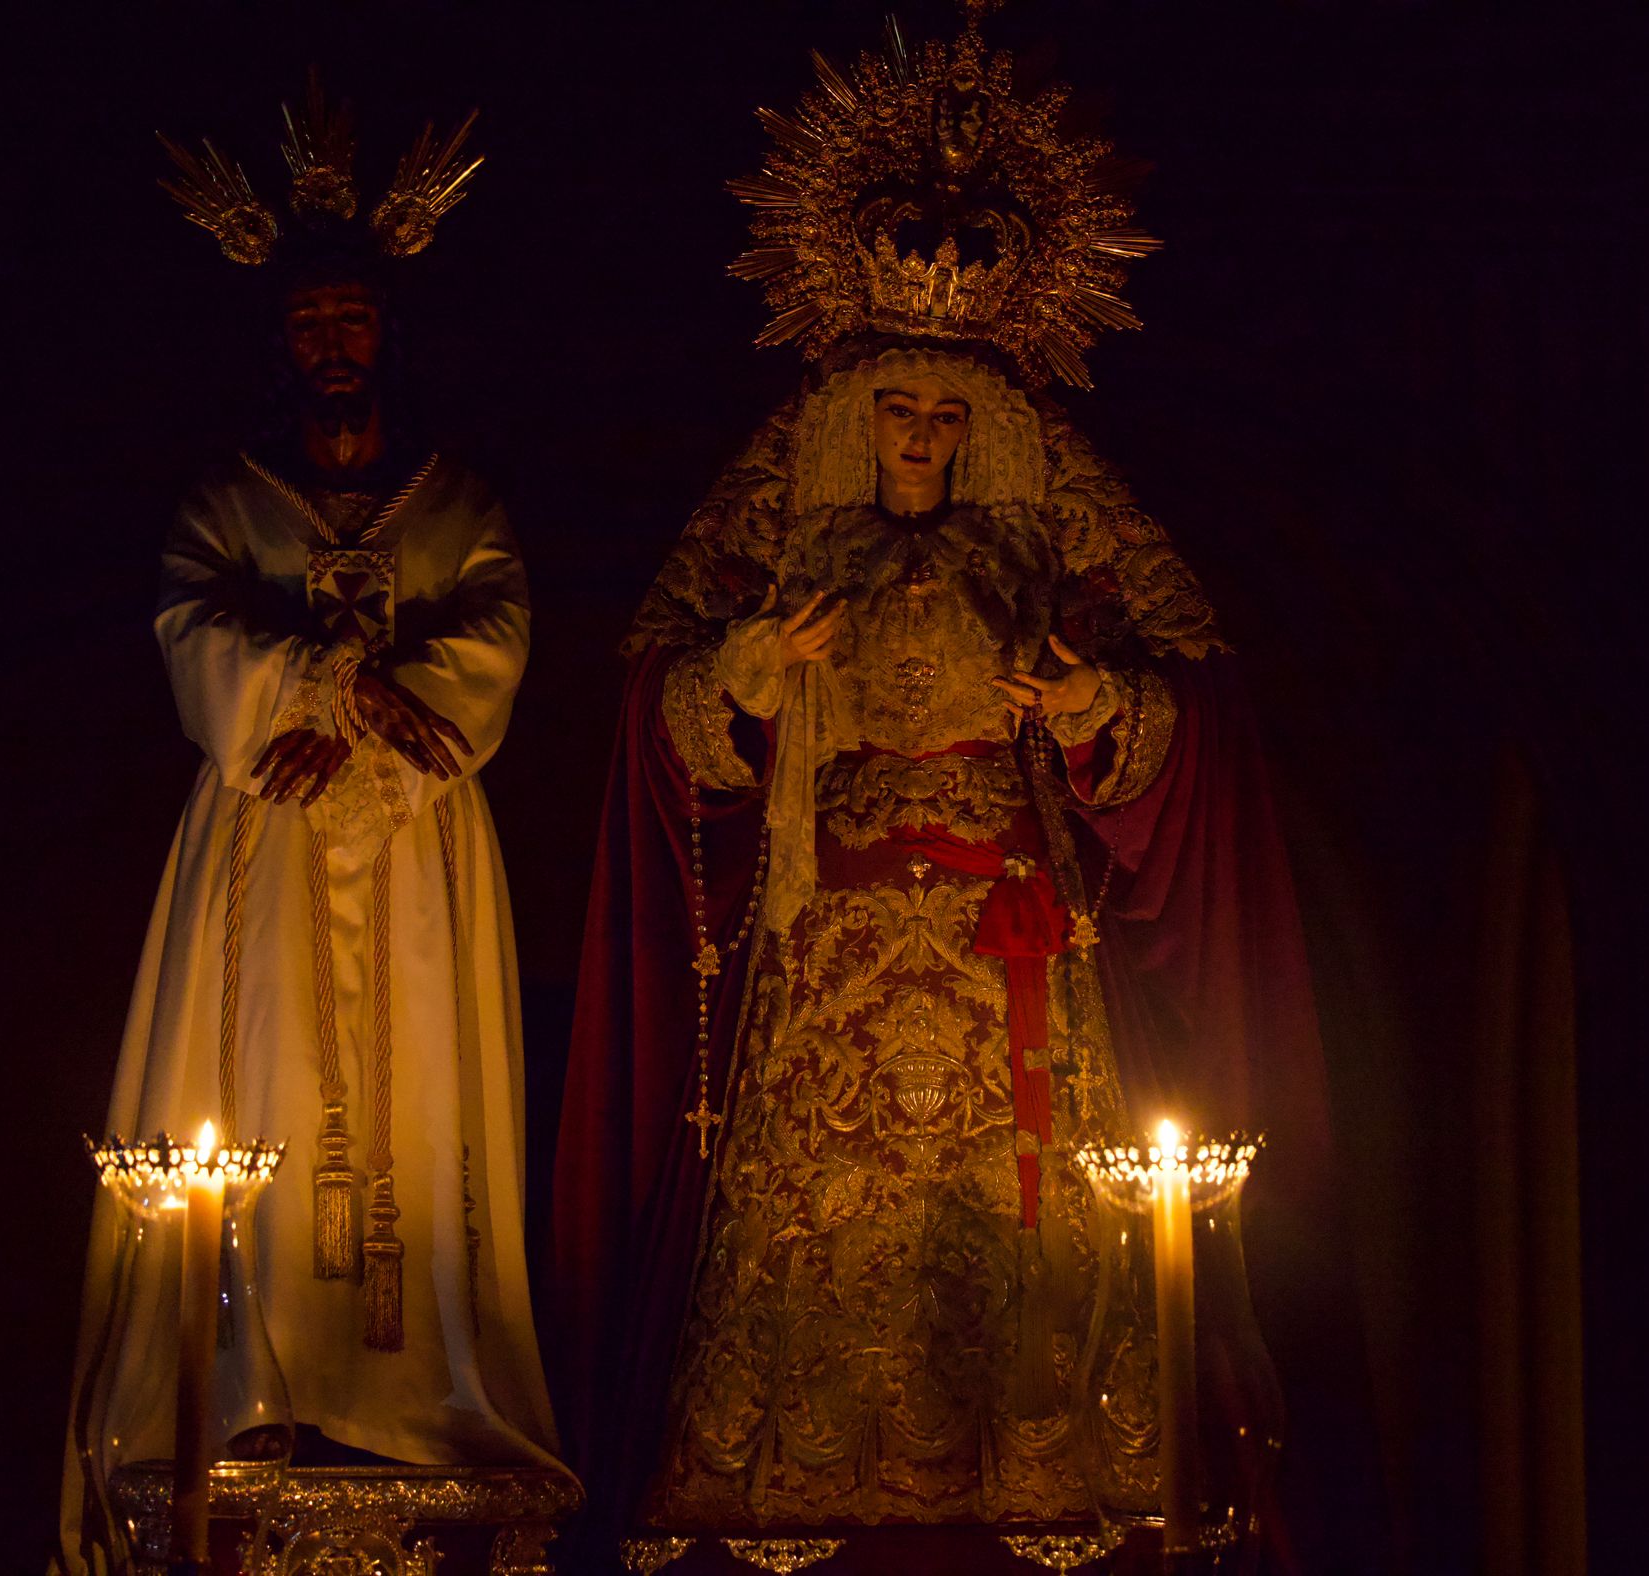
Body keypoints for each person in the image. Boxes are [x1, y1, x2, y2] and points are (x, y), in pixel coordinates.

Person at [550, 11, 1334, 1571]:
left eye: (946, 418)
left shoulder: (1056, 517)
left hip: (1013, 942)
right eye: (897, 414)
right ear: (856, 417)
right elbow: (654, 689)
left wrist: (1105, 704)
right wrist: (749, 685)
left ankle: (1056, 1478)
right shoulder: (779, 502)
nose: (920, 439)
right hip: (829, 938)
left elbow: (1195, 679)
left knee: (1027, 1251)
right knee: (815, 1230)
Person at [57, 88, 560, 1573]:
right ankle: (256, 1376)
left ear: (386, 333)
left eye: (354, 319)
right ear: (281, 344)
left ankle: (415, 1388)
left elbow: (503, 617)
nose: (333, 344)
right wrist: (317, 678)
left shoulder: (454, 495)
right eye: (310, 324)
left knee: (422, 1101)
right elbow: (188, 613)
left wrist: (414, 695)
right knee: (258, 1064)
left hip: (409, 840)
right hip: (268, 834)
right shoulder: (230, 495)